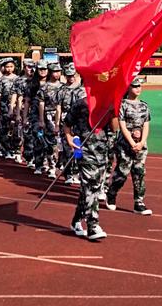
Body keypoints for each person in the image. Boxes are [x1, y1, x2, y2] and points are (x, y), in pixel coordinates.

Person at [64, 88, 108, 241]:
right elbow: (67, 124)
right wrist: (70, 140)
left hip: (102, 151)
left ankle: (76, 220)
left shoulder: (107, 104)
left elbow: (114, 128)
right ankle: (92, 225)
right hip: (85, 150)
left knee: (91, 188)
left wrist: (113, 111)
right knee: (90, 185)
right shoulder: (80, 104)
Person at [106, 78, 152, 215]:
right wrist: (132, 143)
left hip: (140, 145)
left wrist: (142, 142)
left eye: (140, 86)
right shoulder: (122, 105)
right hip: (125, 144)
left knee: (139, 173)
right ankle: (112, 193)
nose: (138, 88)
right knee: (122, 172)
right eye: (135, 86)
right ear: (128, 88)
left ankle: (139, 202)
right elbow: (122, 125)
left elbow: (146, 125)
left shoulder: (144, 106)